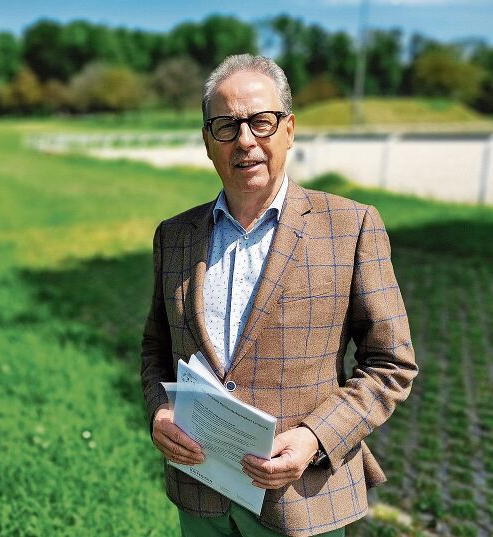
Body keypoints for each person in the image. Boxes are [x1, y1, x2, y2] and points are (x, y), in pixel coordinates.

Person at [140, 54, 418, 537]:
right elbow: (156, 350)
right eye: (226, 126)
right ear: (208, 141)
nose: (244, 140)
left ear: (289, 129)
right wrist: (160, 409)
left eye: (260, 122)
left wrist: (315, 438)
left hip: (302, 502)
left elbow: (391, 364)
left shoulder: (352, 227)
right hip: (199, 495)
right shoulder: (174, 235)